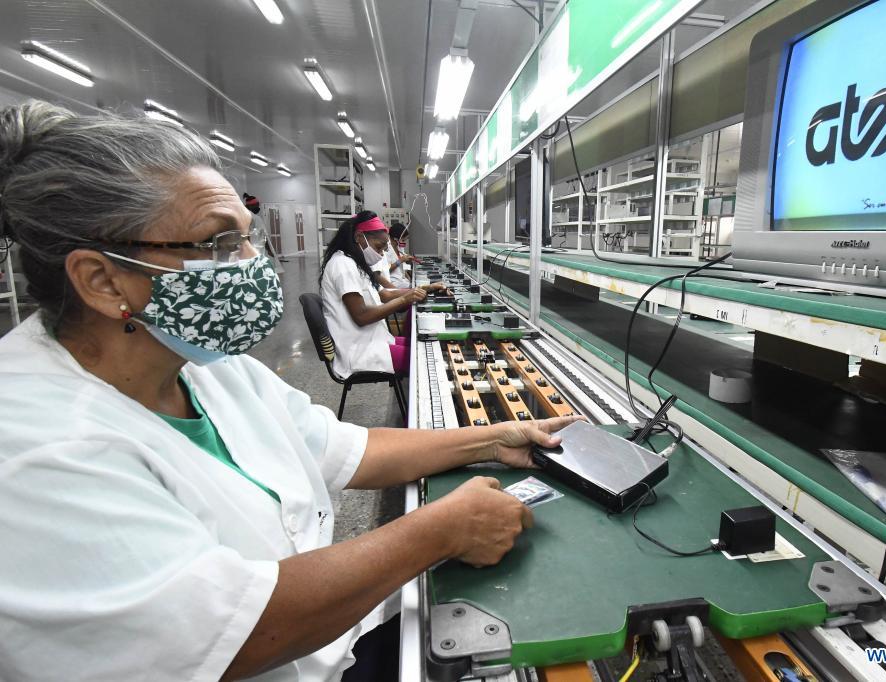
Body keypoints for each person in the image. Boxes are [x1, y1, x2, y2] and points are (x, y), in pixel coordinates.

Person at [0, 101, 579, 682]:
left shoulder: (205, 366)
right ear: (102, 279)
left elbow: (344, 449)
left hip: (327, 649)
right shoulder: (33, 450)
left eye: (251, 241)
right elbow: (228, 638)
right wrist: (440, 530)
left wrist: (490, 438)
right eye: (221, 245)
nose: (255, 265)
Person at [319, 211, 429, 376]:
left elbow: (383, 295)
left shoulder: (354, 262)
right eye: (379, 247)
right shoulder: (343, 266)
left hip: (372, 339)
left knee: (423, 345)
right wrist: (405, 298)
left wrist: (422, 290)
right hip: (358, 350)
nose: (381, 254)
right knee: (425, 360)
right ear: (358, 237)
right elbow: (361, 316)